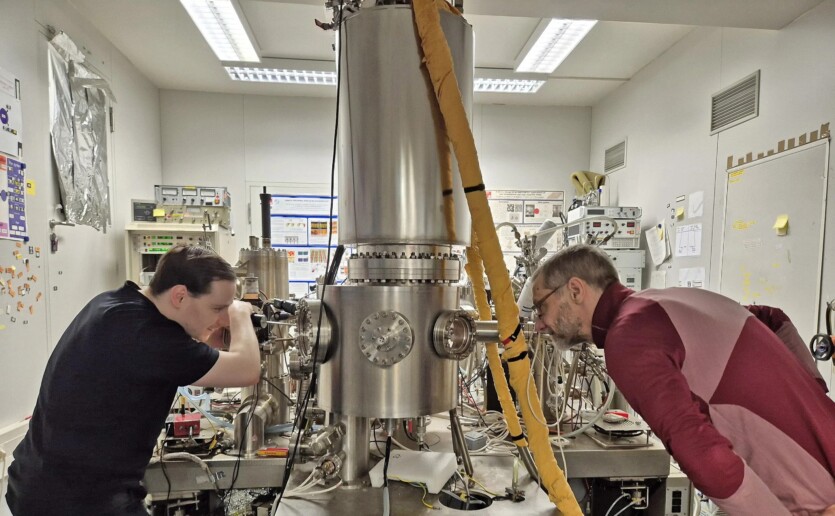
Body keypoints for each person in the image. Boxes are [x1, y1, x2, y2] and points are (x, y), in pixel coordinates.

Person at [530, 244, 835, 515]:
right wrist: (813, 394)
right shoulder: (665, 301)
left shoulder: (627, 337)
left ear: (575, 290)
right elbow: (774, 317)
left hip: (813, 497)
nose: (540, 324)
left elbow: (705, 457)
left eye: (541, 307)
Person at [6, 245, 260, 515]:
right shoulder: (150, 336)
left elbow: (174, 348)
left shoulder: (114, 305)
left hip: (36, 482)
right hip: (79, 501)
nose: (222, 319)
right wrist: (240, 314)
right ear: (180, 295)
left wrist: (210, 329)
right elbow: (246, 370)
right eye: (217, 308)